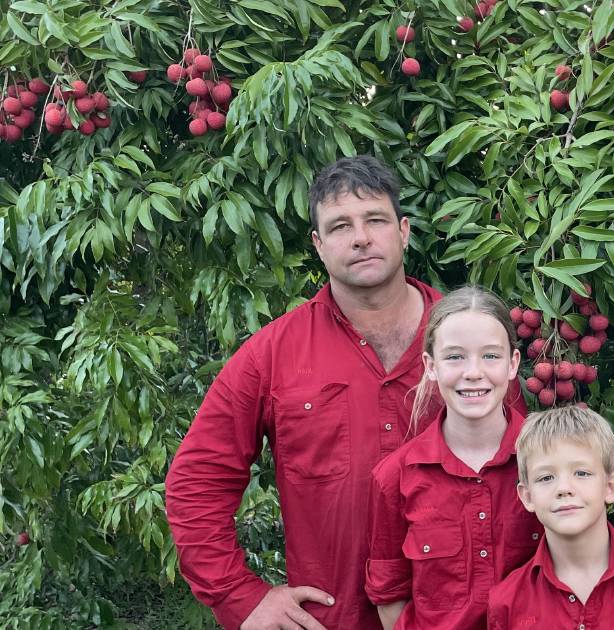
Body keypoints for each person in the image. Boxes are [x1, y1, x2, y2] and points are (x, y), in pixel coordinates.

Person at [168, 155, 450, 630]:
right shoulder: (273, 355)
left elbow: (527, 470)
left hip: (464, 617)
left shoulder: (471, 342)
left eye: (375, 220)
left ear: (403, 231)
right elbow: (197, 483)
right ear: (319, 245)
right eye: (340, 226)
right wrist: (241, 596)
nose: (360, 237)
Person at [366, 286, 541, 630]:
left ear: (512, 364)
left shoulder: (548, 460)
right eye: (455, 357)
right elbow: (389, 595)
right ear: (431, 366)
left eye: (490, 356)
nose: (473, 372)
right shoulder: (395, 477)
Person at [487, 405, 614, 630]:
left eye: (581, 473)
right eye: (546, 477)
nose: (564, 488)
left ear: (611, 487)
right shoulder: (506, 602)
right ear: (527, 496)